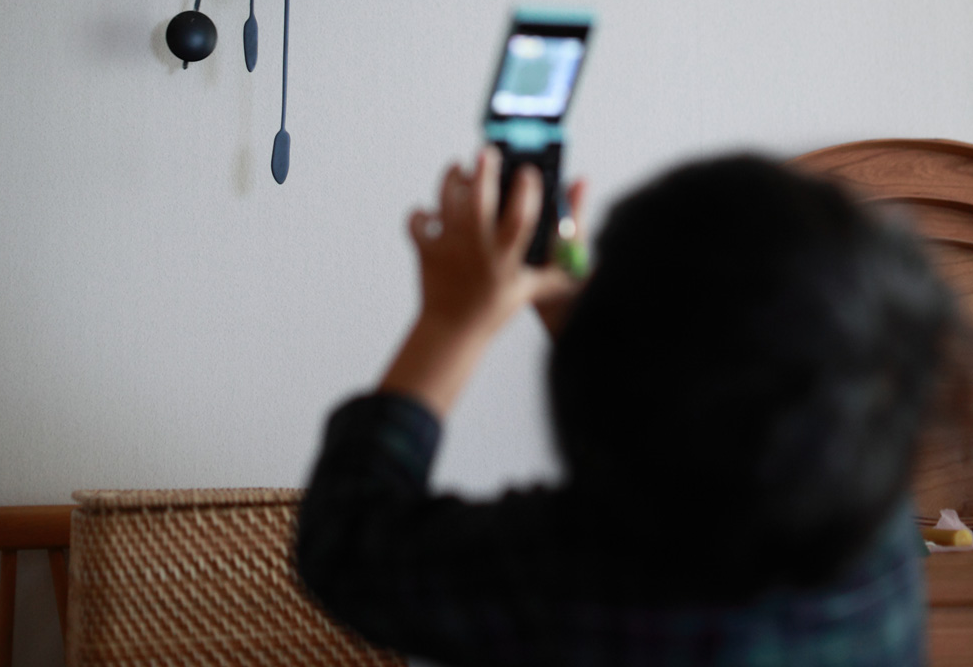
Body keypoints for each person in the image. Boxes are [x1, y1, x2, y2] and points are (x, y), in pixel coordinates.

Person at [297, 148, 968, 666]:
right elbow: (683, 415)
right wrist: (573, 307)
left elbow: (349, 542)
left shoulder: (567, 578)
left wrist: (452, 320)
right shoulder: (873, 543)